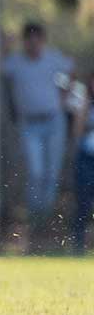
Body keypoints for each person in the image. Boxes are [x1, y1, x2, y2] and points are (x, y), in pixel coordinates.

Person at [2, 22, 73, 234]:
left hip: (53, 121)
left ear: (42, 40)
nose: (33, 44)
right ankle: (35, 217)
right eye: (29, 40)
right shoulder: (15, 62)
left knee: (51, 172)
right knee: (36, 171)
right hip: (29, 123)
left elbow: (71, 71)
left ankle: (47, 219)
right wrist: (4, 46)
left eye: (37, 39)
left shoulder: (53, 58)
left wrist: (63, 98)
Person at [72, 73, 94, 254]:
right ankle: (78, 242)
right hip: (87, 156)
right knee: (84, 201)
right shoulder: (84, 103)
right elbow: (77, 131)